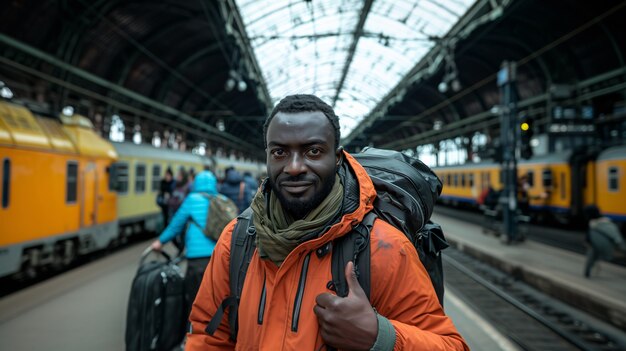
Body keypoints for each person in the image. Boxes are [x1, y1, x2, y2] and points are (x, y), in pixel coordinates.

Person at [186, 94, 469, 350]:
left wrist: (381, 338)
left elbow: (450, 345)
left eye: (313, 151)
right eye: (279, 152)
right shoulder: (238, 239)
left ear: (337, 157)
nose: (294, 167)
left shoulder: (381, 246)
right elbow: (207, 337)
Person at [151, 170, 219, 315]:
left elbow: (175, 225)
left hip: (197, 259)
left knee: (196, 300)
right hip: (220, 258)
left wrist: (160, 242)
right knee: (218, 299)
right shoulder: (221, 201)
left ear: (196, 183)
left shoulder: (191, 199)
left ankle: (195, 333)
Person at [583, 205, 625, 278]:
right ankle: (588, 271)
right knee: (592, 253)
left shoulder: (606, 224)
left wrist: (621, 247)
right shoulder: (594, 224)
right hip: (599, 246)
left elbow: (617, 238)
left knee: (592, 253)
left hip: (609, 247)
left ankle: (588, 271)